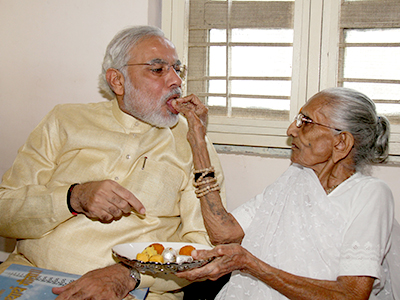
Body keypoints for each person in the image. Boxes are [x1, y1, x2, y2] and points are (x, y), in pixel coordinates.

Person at [0, 25, 226, 300]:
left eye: (178, 69)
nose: (175, 80)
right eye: (158, 70)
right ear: (117, 81)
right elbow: (5, 211)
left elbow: (206, 245)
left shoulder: (194, 143)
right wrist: (73, 197)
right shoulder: (63, 120)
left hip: (135, 290)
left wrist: (130, 274)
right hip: (31, 276)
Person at [172, 87, 400, 299]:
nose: (291, 130)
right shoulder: (296, 178)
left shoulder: (370, 194)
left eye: (306, 122)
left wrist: (251, 265)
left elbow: (351, 294)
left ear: (341, 142)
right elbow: (224, 233)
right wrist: (198, 142)